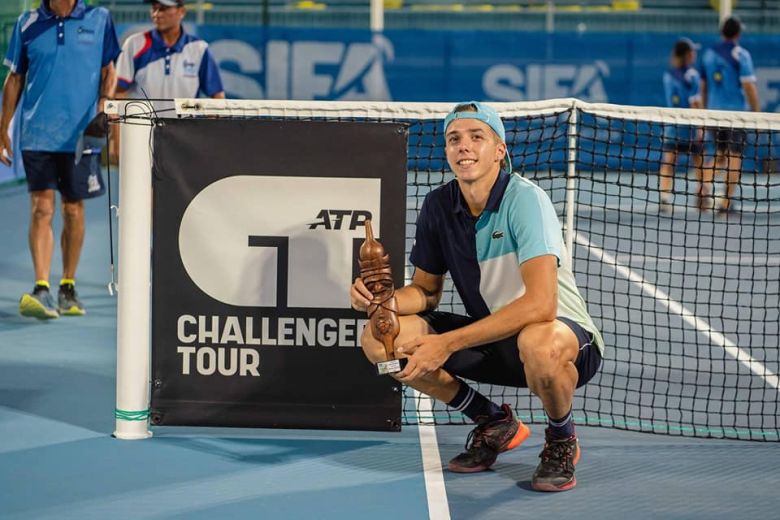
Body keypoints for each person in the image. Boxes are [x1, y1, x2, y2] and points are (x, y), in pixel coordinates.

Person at [350, 101, 604, 492]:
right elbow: (427, 292)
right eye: (454, 139)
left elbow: (541, 305)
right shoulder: (438, 205)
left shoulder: (525, 200)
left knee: (538, 343)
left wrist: (446, 344)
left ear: (499, 150)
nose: (464, 146)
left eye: (476, 137)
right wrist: (383, 302)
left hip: (560, 338)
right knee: (379, 339)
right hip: (494, 340)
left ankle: (561, 437)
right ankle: (493, 421)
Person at [0, 0, 120, 319]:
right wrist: (3, 127)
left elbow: (109, 70)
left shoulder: (99, 19)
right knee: (42, 208)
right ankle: (41, 287)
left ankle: (68, 286)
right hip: (37, 134)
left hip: (81, 135)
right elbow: (14, 78)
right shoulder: (27, 23)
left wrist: (105, 103)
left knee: (72, 209)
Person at [698, 15, 761, 213]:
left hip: (714, 113)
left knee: (719, 155)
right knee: (734, 157)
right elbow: (749, 86)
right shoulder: (741, 54)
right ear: (738, 33)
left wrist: (703, 112)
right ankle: (726, 202)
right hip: (736, 116)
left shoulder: (708, 54)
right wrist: (757, 114)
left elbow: (703, 86)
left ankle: (704, 187)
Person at [115, 0, 224, 101]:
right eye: (154, 8)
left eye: (163, 8)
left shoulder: (199, 49)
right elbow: (118, 91)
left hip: (186, 117)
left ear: (182, 11)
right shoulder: (134, 44)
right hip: (141, 117)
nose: (157, 14)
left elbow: (217, 95)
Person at [659, 37, 704, 213]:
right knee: (698, 161)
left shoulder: (668, 75)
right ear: (687, 54)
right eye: (692, 51)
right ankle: (702, 194)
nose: (695, 54)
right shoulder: (692, 75)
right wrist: (701, 126)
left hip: (673, 126)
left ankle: (664, 197)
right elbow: (695, 103)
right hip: (689, 127)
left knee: (669, 161)